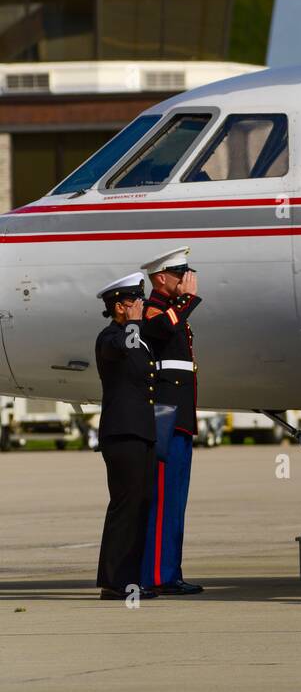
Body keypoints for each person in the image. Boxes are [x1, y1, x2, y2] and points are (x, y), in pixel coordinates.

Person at [139, 247, 203, 596]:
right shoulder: (155, 309)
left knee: (176, 499)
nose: (185, 280)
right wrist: (187, 300)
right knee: (163, 499)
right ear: (161, 278)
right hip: (167, 418)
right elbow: (159, 331)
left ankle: (170, 571)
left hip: (181, 417)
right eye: (179, 274)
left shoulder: (171, 311)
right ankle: (157, 575)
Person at [94, 272, 158, 601]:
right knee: (125, 505)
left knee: (142, 503)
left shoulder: (137, 337)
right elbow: (122, 347)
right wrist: (131, 323)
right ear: (119, 306)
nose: (141, 306)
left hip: (141, 432)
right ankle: (114, 581)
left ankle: (130, 579)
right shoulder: (110, 337)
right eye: (136, 301)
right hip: (122, 434)